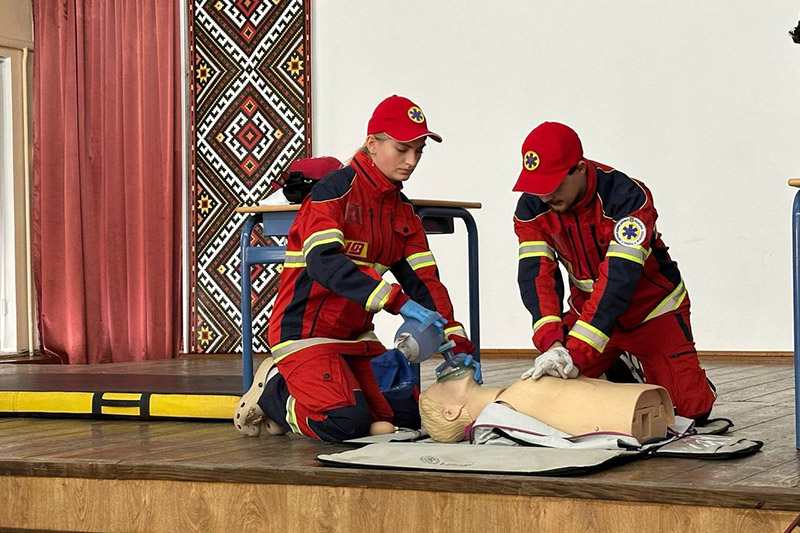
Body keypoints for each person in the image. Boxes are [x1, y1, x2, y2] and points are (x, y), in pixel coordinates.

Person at [234, 95, 475, 442]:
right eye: (402, 149)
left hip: (356, 338)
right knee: (346, 423)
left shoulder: (402, 212)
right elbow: (325, 262)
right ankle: (276, 394)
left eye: (419, 151)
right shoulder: (334, 191)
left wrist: (457, 343)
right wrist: (396, 301)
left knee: (408, 416)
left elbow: (426, 284)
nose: (411, 161)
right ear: (372, 144)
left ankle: (324, 393)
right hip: (305, 335)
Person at [512, 121, 716, 421]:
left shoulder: (627, 198)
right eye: (537, 186)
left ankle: (677, 378)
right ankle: (617, 364)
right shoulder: (532, 207)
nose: (544, 197)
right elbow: (536, 276)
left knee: (690, 412)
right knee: (549, 397)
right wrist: (552, 343)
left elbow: (619, 280)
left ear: (579, 169)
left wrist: (578, 351)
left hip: (651, 313)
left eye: (552, 185)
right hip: (588, 315)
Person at [419, 366, 674, 444]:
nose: (440, 378)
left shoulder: (514, 397)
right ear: (451, 412)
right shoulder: (505, 411)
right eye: (435, 386)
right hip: (632, 410)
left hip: (641, 404)